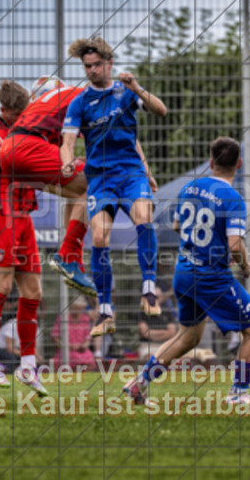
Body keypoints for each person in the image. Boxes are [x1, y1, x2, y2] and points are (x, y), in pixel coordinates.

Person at [123, 137, 250, 407]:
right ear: (240, 164)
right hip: (211, 276)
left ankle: (140, 382)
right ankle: (238, 393)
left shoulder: (191, 187)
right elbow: (236, 244)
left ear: (210, 162)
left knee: (188, 337)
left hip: (184, 272)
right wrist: (246, 265)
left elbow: (177, 225)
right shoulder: (233, 198)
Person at [60, 37, 168, 338]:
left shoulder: (126, 91)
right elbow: (67, 143)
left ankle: (149, 290)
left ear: (109, 63)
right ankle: (105, 311)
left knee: (144, 219)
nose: (92, 70)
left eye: (96, 65)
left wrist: (136, 87)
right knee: (98, 237)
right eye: (87, 66)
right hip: (101, 179)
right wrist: (66, 162)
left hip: (131, 174)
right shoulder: (80, 102)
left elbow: (161, 111)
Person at [0, 80, 47, 395]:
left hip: (23, 216)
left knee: (33, 292)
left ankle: (28, 366)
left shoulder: (27, 128)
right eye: (17, 115)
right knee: (2, 286)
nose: (22, 119)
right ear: (4, 110)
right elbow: (19, 157)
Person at [0, 75, 96, 296]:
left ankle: (71, 257)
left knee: (78, 190)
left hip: (11, 152)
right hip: (28, 148)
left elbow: (65, 158)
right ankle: (68, 253)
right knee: (97, 183)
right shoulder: (74, 97)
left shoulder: (38, 109)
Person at [51, 296, 96, 369]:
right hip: (66, 350)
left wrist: (85, 345)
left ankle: (83, 377)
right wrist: (65, 346)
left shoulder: (85, 318)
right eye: (77, 308)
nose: (79, 311)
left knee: (89, 356)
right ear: (72, 306)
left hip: (81, 350)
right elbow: (55, 338)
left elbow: (88, 337)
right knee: (74, 357)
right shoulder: (62, 318)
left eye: (81, 309)